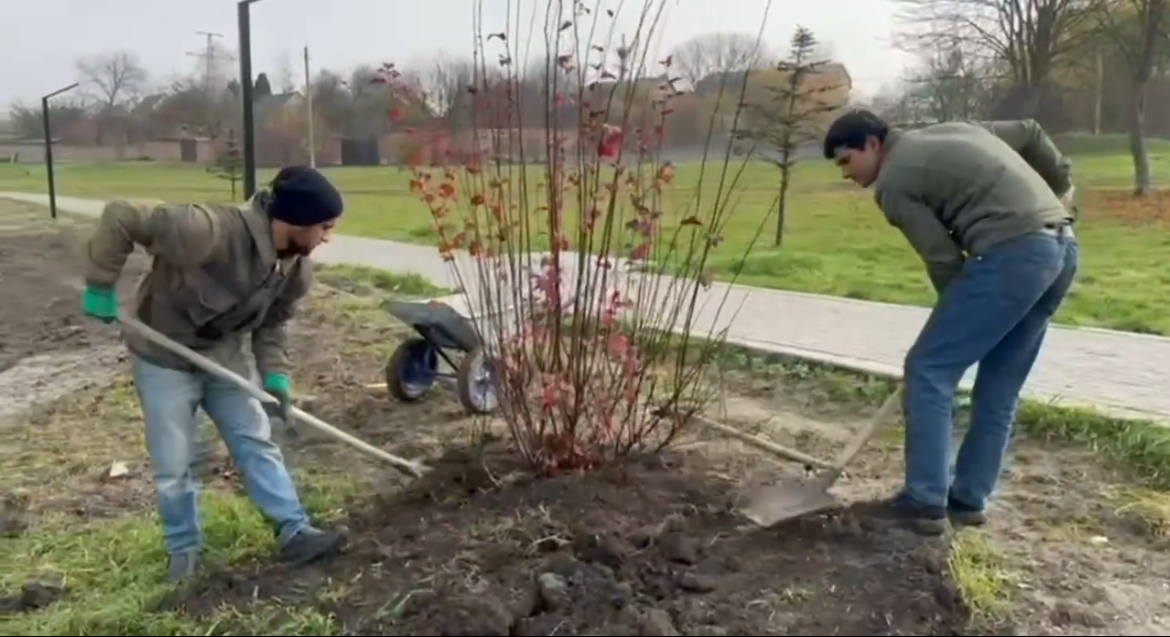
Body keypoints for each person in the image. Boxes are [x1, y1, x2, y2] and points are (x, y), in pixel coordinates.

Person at [80, 165, 347, 581]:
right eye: (324, 227)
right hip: (163, 357)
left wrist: (274, 374)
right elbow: (121, 214)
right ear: (295, 220)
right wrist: (100, 283)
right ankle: (183, 554)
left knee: (256, 442)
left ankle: (294, 530)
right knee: (174, 463)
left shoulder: (296, 270)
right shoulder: (209, 230)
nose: (327, 238)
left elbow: (272, 324)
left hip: (224, 357)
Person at [822, 110, 1079, 536]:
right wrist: (1059, 190)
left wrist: (958, 315)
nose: (847, 174)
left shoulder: (893, 184)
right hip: (1062, 248)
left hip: (1012, 255)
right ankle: (968, 500)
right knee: (998, 386)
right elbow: (1031, 131)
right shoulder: (956, 129)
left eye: (846, 161)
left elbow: (942, 258)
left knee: (929, 369)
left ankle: (923, 501)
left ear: (872, 143)